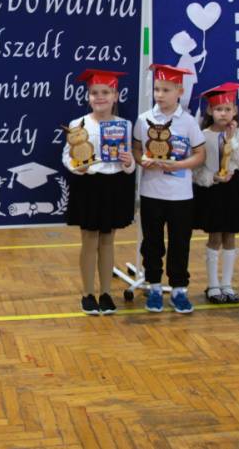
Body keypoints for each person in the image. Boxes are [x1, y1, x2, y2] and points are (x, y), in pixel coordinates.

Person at [132, 64, 206, 314]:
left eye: (166, 90)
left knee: (180, 242)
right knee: (152, 243)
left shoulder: (188, 121)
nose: (160, 94)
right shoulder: (144, 119)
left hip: (181, 195)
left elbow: (200, 153)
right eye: (157, 89)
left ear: (179, 92)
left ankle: (179, 290)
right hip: (151, 192)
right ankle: (154, 286)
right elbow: (137, 148)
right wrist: (142, 160)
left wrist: (180, 165)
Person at [62, 69, 136, 315]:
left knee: (108, 240)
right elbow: (67, 156)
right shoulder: (78, 124)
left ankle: (105, 293)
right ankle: (87, 294)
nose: (100, 97)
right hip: (89, 185)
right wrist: (77, 167)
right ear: (88, 96)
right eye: (94, 93)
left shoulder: (124, 125)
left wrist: (129, 162)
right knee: (89, 240)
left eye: (105, 92)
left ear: (116, 96)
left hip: (115, 186)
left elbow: (130, 161)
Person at [192, 83, 239, 304]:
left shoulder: (238, 134)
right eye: (218, 109)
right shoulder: (203, 135)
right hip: (212, 190)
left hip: (233, 189)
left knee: (230, 236)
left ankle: (227, 284)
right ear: (210, 111)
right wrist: (212, 177)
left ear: (235, 111)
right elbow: (196, 170)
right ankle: (213, 285)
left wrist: (233, 140)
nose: (223, 113)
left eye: (227, 109)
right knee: (214, 237)